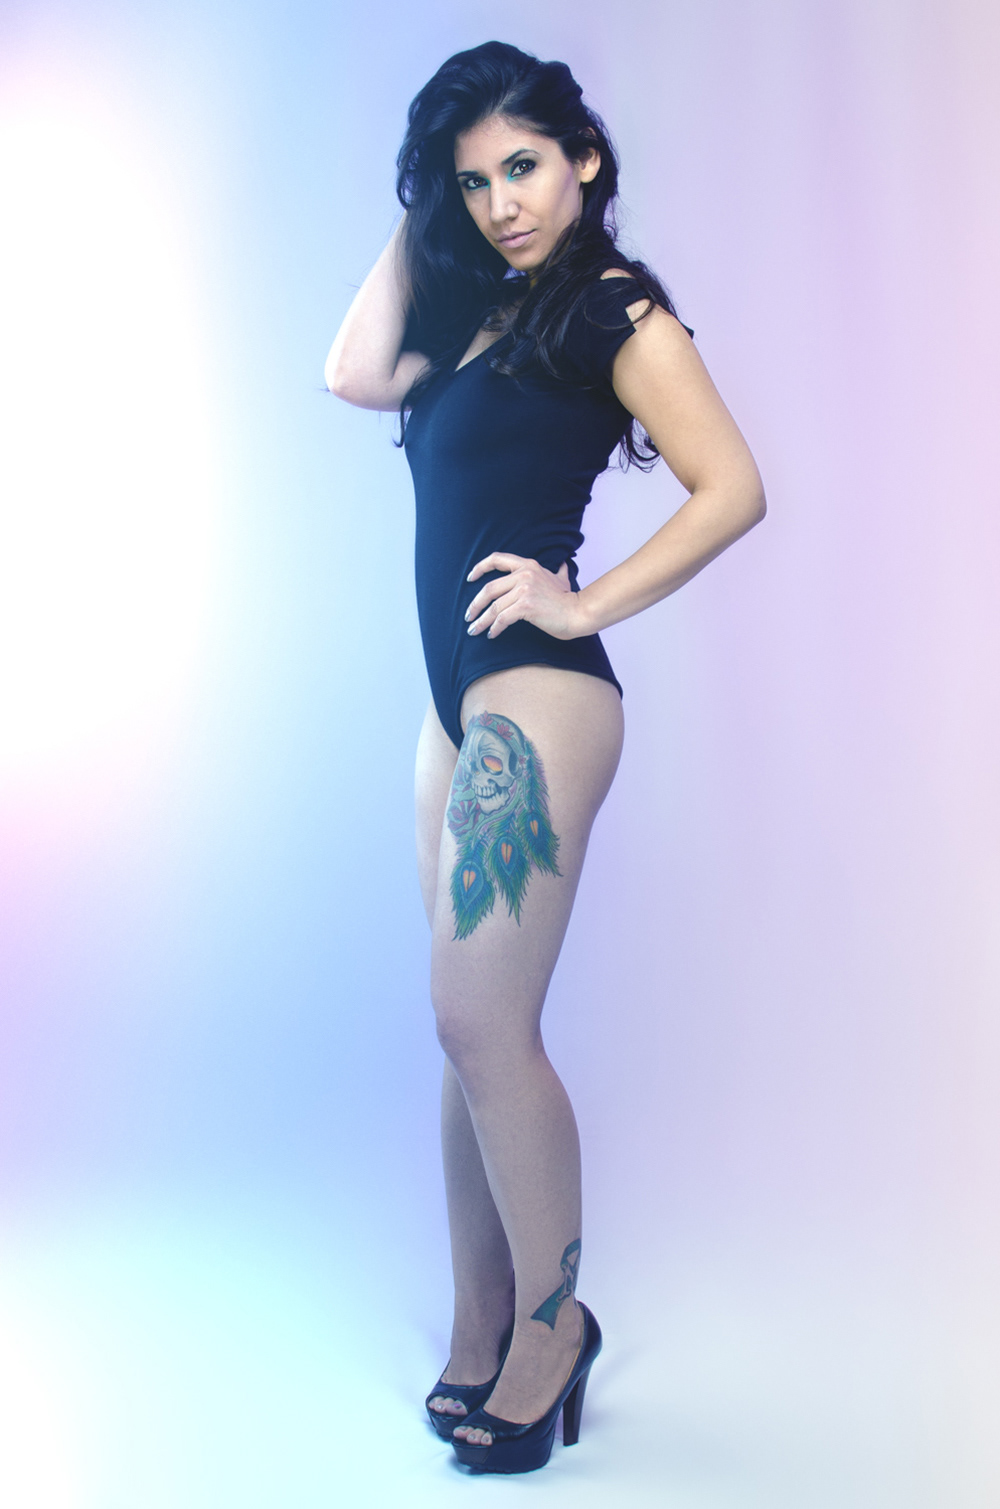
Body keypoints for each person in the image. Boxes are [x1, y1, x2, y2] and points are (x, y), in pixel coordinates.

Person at [325, 40, 765, 1475]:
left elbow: (732, 486)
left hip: (538, 691)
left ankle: (555, 1328)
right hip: (453, 706)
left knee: (479, 1023)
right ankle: (481, 1322)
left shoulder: (612, 306)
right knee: (467, 1032)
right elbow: (350, 371)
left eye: (523, 165)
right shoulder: (473, 314)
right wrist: (424, 201)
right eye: (474, 182)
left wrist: (582, 602)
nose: (502, 201)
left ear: (583, 158)